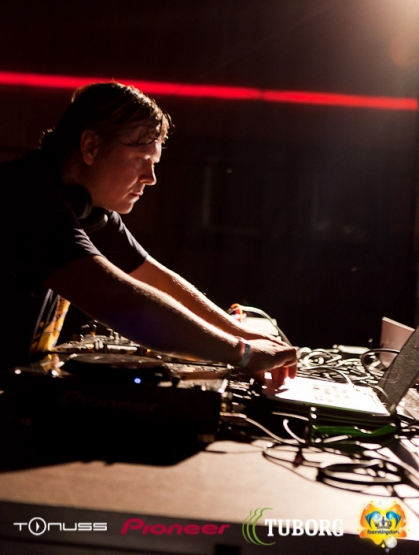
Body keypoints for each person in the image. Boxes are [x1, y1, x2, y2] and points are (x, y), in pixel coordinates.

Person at [0, 82, 297, 383]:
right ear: (91, 147)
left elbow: (154, 278)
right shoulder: (24, 198)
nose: (151, 177)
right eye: (141, 160)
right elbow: (121, 302)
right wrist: (242, 353)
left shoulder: (86, 207)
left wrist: (244, 334)